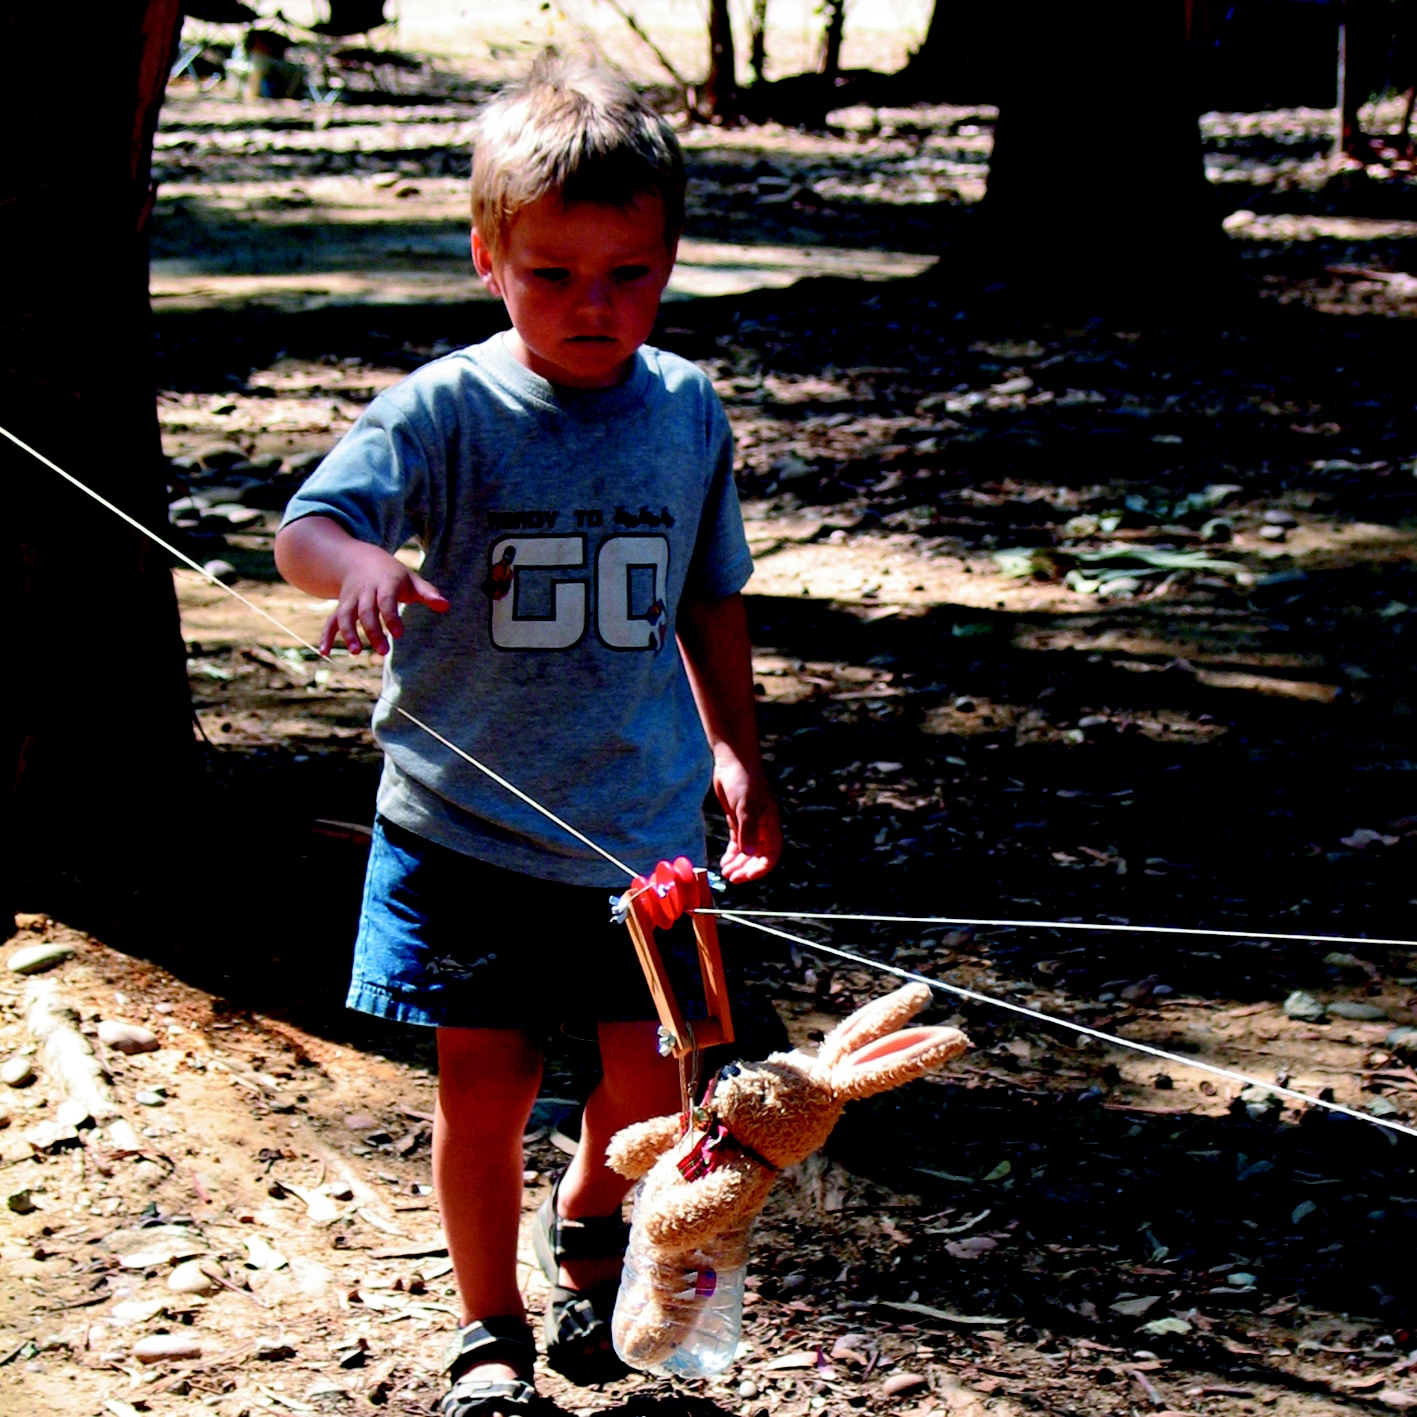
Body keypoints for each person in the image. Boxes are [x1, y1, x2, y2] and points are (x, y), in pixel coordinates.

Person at [273, 57, 782, 1417]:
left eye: (629, 273)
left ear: (669, 262)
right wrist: (358, 568)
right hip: (463, 833)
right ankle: (486, 1330)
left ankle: (590, 1222)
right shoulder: (446, 409)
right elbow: (304, 531)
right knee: (483, 1093)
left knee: (651, 1097)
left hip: (644, 832)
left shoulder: (684, 411)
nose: (593, 306)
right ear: (489, 256)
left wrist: (737, 748)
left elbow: (708, 591)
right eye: (553, 275)